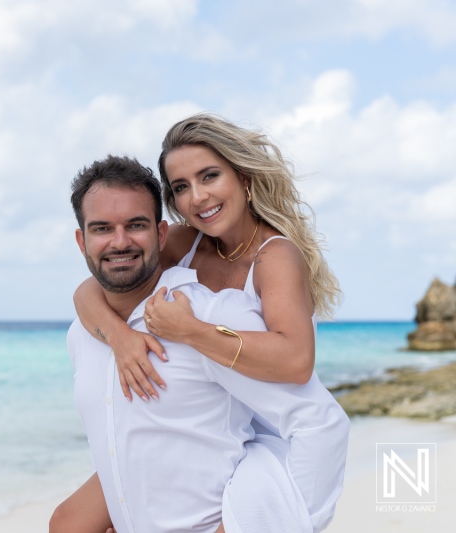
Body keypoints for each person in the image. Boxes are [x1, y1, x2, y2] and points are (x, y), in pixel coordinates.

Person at [50, 153, 348, 533]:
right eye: (181, 187)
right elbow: (93, 289)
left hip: (259, 442)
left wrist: (269, 523)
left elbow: (312, 402)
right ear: (82, 240)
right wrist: (120, 337)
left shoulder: (243, 286)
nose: (198, 197)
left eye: (210, 176)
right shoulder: (87, 331)